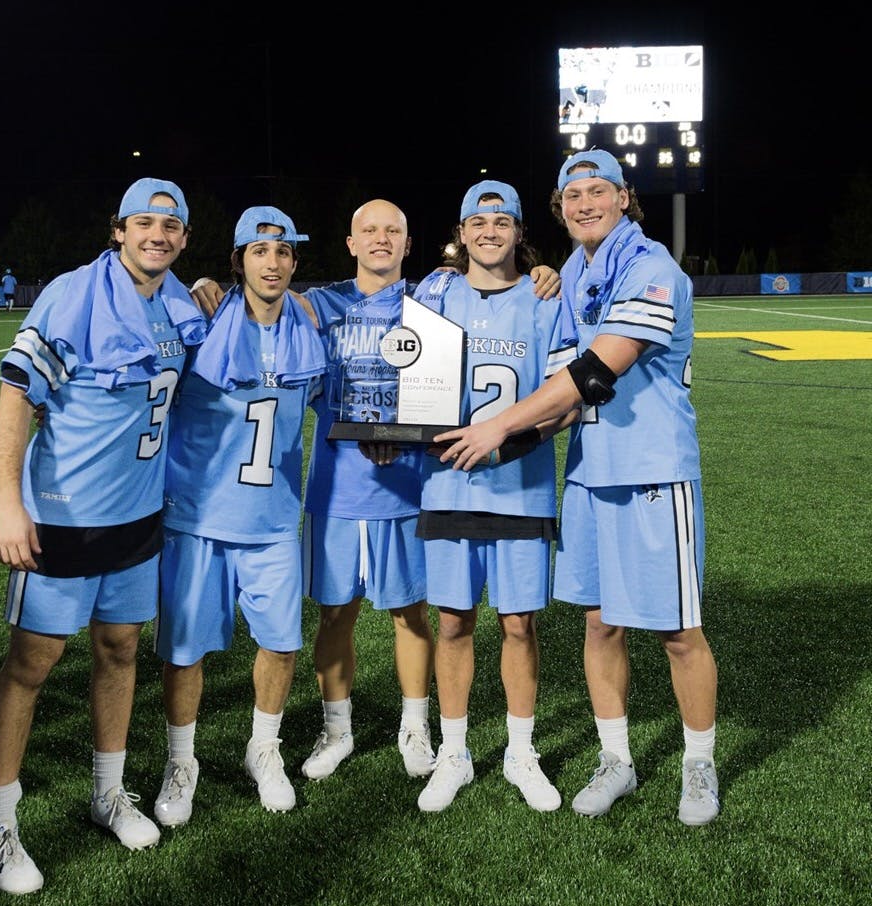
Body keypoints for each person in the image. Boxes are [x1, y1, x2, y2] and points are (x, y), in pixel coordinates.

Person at [190, 200, 561, 785]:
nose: (381, 239)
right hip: (335, 488)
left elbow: (493, 291)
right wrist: (209, 283)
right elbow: (259, 298)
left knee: (411, 614)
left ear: (409, 244)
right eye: (369, 230)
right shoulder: (316, 304)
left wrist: (541, 272)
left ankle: (415, 727)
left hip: (409, 488)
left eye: (393, 230)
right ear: (351, 242)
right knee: (335, 613)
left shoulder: (432, 298)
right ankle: (338, 729)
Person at [433, 150, 720, 827]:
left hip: (653, 469)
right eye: (573, 194)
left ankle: (699, 763)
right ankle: (616, 760)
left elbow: (596, 372)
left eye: (598, 190)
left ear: (625, 197)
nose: (585, 203)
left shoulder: (651, 267)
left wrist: (497, 425)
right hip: (590, 471)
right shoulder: (571, 272)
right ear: (560, 209)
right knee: (599, 622)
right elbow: (562, 396)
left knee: (679, 630)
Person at [0, 178, 208, 895]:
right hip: (63, 515)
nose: (158, 234)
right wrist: (6, 504)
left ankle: (107, 791)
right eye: (145, 222)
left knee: (120, 647)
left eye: (171, 226)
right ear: (119, 230)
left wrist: (215, 289)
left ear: (183, 239)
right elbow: (16, 400)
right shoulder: (74, 295)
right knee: (34, 661)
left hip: (138, 516)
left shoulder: (181, 304)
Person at [411, 180, 579, 814]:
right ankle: (453, 752)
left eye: (502, 221)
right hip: (447, 479)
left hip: (521, 482)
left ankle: (519, 749)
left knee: (518, 622)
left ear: (518, 231)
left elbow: (565, 397)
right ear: (460, 232)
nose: (489, 231)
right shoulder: (433, 292)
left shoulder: (546, 300)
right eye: (477, 222)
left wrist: (514, 442)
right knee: (452, 620)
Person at [153, 206, 325, 821]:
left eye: (282, 252)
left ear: (294, 262)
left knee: (281, 644)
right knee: (185, 650)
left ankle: (263, 748)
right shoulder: (199, 319)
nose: (272, 263)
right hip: (198, 518)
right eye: (259, 252)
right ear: (237, 261)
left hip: (274, 520)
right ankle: (182, 761)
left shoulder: (307, 324)